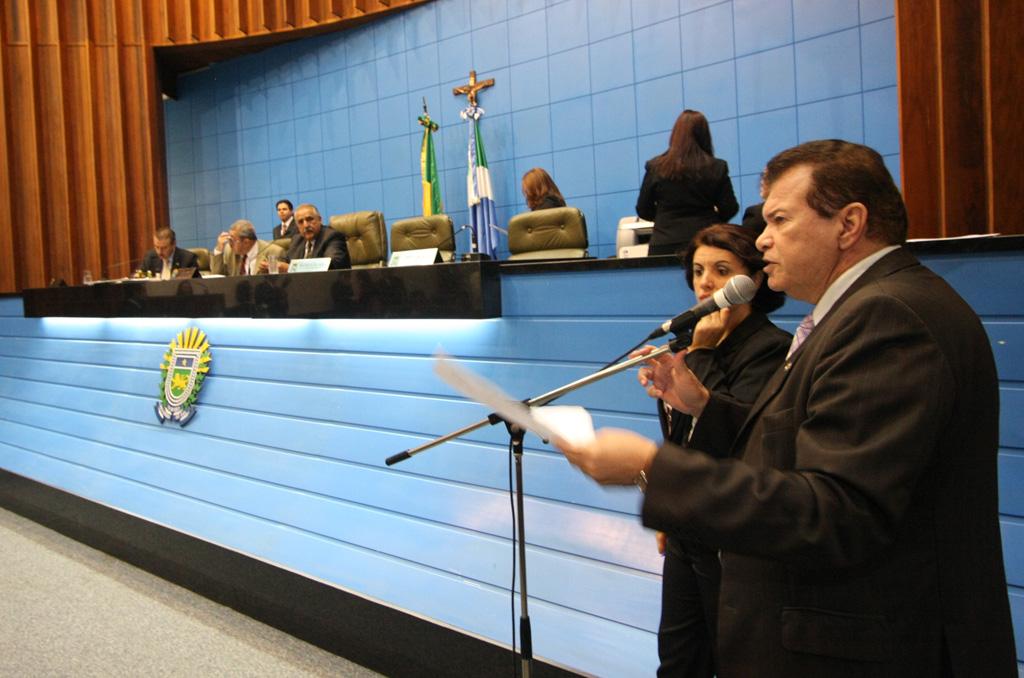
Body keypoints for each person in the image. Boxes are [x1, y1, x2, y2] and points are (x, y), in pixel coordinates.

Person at [558, 140, 1016, 676]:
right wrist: (703, 405)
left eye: (779, 220)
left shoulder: (889, 317)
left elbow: (836, 509)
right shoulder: (861, 309)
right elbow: (798, 439)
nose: (762, 238)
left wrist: (655, 469)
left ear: (848, 224)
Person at [651, 224, 790, 677]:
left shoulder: (771, 349)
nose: (705, 283)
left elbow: (737, 438)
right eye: (697, 271)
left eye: (722, 270)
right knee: (678, 659)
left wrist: (704, 356)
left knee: (733, 659)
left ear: (753, 280)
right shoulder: (692, 342)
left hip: (730, 535)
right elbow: (681, 435)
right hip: (687, 526)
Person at [637, 110, 738, 256]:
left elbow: (643, 208)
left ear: (675, 134)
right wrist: (712, 220)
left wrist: (663, 219)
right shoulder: (717, 167)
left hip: (664, 241)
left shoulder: (655, 166)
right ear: (705, 135)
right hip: (705, 241)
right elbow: (730, 208)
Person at [261, 203, 349, 273]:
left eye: (309, 219)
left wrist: (290, 268)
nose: (306, 225)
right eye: (300, 222)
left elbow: (330, 265)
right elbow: (286, 263)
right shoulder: (297, 240)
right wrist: (271, 268)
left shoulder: (332, 236)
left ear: (320, 219)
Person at [211, 220, 277, 276]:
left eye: (232, 240)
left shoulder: (273, 252)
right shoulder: (229, 250)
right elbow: (217, 277)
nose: (229, 243)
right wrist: (219, 249)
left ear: (246, 242)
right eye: (229, 239)